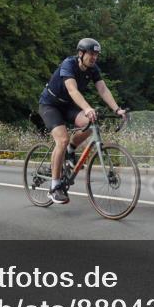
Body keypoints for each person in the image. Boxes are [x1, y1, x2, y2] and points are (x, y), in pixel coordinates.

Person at [38, 38, 125, 204]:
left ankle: (71, 150)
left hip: (68, 106)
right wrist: (87, 108)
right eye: (91, 54)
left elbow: (102, 89)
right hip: (50, 105)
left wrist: (117, 109)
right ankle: (55, 187)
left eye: (96, 55)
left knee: (91, 125)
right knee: (62, 140)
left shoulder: (93, 69)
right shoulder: (68, 64)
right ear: (81, 53)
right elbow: (72, 89)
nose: (94, 58)